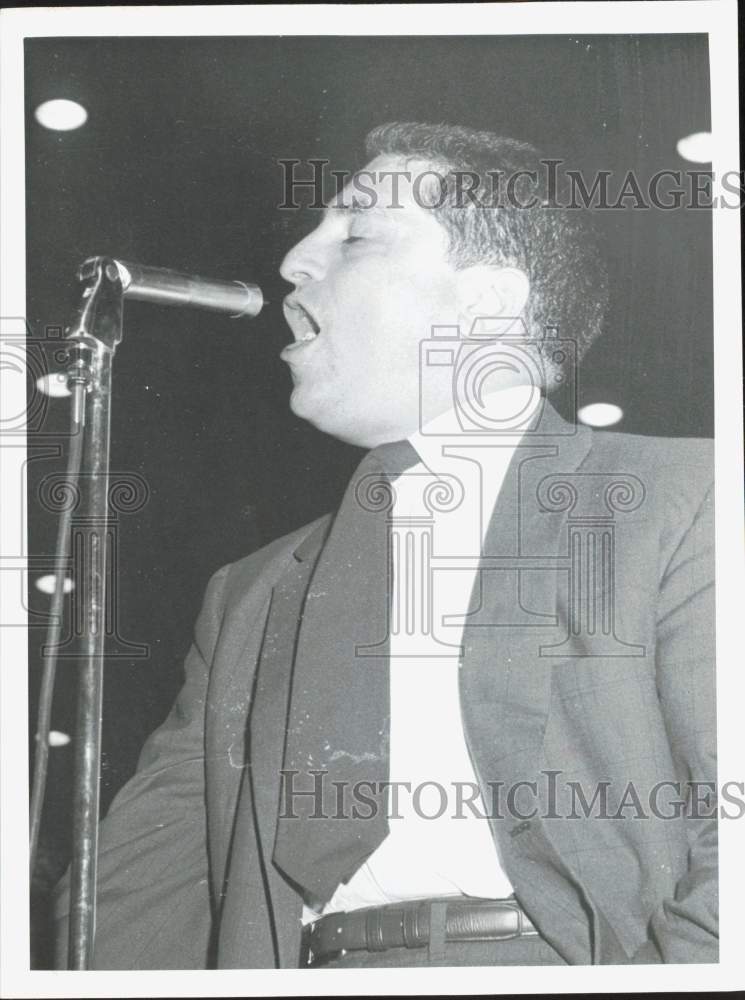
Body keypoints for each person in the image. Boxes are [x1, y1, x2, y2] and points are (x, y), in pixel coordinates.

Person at [54, 122, 716, 968]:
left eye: (356, 233)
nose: (295, 259)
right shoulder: (250, 593)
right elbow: (140, 891)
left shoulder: (685, 500)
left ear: (485, 302)